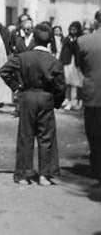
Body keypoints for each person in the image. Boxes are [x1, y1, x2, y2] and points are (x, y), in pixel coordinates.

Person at [0, 23, 65, 186]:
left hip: (27, 97)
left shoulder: (23, 57)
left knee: (25, 135)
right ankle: (44, 174)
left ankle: (23, 174)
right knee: (46, 137)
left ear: (34, 39)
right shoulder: (54, 61)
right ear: (49, 41)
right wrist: (56, 102)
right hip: (46, 98)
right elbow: (60, 87)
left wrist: (17, 87)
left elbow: (4, 71)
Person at [77, 11, 101, 187]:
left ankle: (97, 167)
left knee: (93, 133)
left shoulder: (84, 41)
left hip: (92, 92)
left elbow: (81, 66)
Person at [60, 21, 84, 111]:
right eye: (71, 29)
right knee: (68, 82)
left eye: (74, 30)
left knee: (77, 83)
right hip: (68, 62)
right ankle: (68, 100)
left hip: (77, 63)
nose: (73, 31)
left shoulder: (80, 39)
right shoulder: (66, 39)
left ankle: (78, 101)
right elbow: (63, 51)